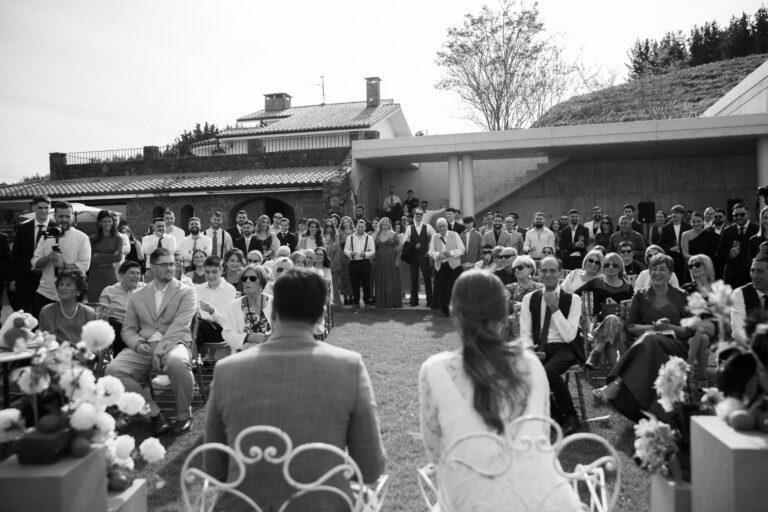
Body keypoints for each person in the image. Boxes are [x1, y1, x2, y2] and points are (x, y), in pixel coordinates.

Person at [205, 268, 386, 511]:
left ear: (275, 311)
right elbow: (369, 467)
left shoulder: (227, 370)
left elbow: (214, 468)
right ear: (321, 316)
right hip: (322, 505)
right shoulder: (348, 367)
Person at [418, 270, 580, 511]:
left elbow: (435, 450)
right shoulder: (532, 364)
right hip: (543, 499)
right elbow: (541, 433)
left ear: (454, 313)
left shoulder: (434, 370)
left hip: (472, 501)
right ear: (504, 316)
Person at [106, 248, 197, 436]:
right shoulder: (138, 294)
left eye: (172, 263)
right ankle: (155, 413)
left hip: (174, 344)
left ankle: (184, 416)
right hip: (144, 346)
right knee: (113, 370)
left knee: (177, 362)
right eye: (164, 264)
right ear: (152, 267)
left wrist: (160, 350)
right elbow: (128, 329)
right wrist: (138, 343)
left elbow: (180, 326)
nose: (170, 268)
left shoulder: (186, 292)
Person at [593, 254, 692, 422]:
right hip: (648, 344)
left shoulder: (682, 296)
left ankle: (616, 385)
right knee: (649, 340)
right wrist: (653, 328)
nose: (657, 273)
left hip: (675, 345)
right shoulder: (640, 295)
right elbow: (630, 326)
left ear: (670, 274)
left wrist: (671, 327)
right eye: (653, 269)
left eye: (662, 269)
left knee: (648, 341)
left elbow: (689, 329)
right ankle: (645, 408)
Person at [519, 256, 584, 435]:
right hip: (538, 347)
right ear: (538, 273)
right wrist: (529, 349)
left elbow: (570, 335)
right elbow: (525, 333)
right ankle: (554, 414)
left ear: (560, 273)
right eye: (544, 271)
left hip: (564, 347)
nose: (548, 274)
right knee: (520, 369)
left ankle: (571, 416)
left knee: (547, 372)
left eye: (552, 271)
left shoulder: (573, 300)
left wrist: (555, 309)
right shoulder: (529, 299)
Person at [30, 201, 91, 318]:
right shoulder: (45, 236)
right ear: (54, 216)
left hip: (71, 294)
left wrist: (64, 265)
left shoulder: (82, 237)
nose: (64, 219)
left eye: (67, 216)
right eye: (61, 216)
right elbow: (34, 263)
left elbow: (84, 266)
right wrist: (48, 258)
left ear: (72, 217)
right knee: (40, 329)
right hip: (45, 292)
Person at [578, 252, 634, 369]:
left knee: (613, 320)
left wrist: (618, 305)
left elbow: (631, 310)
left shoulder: (627, 288)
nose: (610, 267)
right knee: (611, 324)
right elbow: (575, 296)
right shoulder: (596, 283)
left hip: (621, 327)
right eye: (607, 265)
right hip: (597, 326)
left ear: (620, 268)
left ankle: (595, 355)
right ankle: (617, 374)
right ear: (603, 267)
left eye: (614, 265)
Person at [7, 195, 51, 312]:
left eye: (46, 208)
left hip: (47, 278)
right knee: (24, 313)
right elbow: (16, 255)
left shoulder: (56, 228)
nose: (43, 211)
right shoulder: (23, 228)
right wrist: (12, 278)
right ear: (33, 208)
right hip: (24, 278)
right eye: (40, 208)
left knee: (43, 313)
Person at [681, 254, 717, 376]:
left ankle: (687, 366)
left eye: (697, 265)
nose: (693, 268)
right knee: (703, 338)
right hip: (694, 328)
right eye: (691, 266)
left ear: (707, 266)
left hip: (714, 325)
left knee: (699, 326)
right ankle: (703, 379)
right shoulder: (686, 288)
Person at [222, 264, 272, 352]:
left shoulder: (274, 303)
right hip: (243, 358)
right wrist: (248, 337)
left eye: (252, 278)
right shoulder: (235, 305)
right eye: (244, 279)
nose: (247, 281)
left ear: (261, 282)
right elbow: (227, 334)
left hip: (270, 356)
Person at [99, 260, 145, 356]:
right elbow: (102, 314)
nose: (136, 276)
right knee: (116, 325)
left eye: (138, 273)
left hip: (138, 326)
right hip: (117, 326)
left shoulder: (145, 289)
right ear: (121, 275)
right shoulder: (109, 291)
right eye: (132, 273)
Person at [38, 269, 97, 343]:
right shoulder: (46, 311)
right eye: (61, 284)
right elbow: (40, 339)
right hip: (54, 352)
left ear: (78, 291)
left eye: (68, 285)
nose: (63, 288)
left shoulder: (89, 313)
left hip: (81, 352)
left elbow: (93, 342)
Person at [195, 255, 237, 352]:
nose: (210, 276)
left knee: (198, 326)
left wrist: (212, 311)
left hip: (220, 331)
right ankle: (193, 359)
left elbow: (226, 322)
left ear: (221, 270)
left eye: (214, 272)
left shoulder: (229, 289)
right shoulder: (198, 289)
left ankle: (191, 360)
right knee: (195, 327)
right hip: (199, 329)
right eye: (207, 272)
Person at [731, 248, 768, 344]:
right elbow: (738, 331)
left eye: (760, 271)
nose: (754, 276)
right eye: (752, 270)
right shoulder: (740, 293)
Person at [429, 218, 465, 316]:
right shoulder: (434, 237)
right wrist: (437, 255)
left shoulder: (455, 234)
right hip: (440, 266)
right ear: (437, 228)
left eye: (444, 226)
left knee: (453, 288)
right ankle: (445, 310)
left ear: (447, 226)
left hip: (454, 267)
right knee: (442, 289)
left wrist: (451, 253)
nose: (442, 228)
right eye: (440, 226)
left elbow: (461, 249)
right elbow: (430, 252)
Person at [717, 202, 757, 288]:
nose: (739, 217)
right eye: (736, 215)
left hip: (752, 275)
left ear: (748, 214)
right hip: (732, 276)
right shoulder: (727, 231)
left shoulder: (757, 229)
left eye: (742, 214)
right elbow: (719, 252)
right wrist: (729, 253)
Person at [88, 209, 123, 302]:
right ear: (99, 223)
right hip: (95, 275)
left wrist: (98, 255)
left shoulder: (118, 239)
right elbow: (90, 259)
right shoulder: (92, 239)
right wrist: (110, 256)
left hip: (110, 274)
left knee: (112, 302)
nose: (108, 223)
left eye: (109, 221)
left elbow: (118, 258)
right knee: (95, 303)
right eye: (104, 221)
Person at [404, 208, 435, 307]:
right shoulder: (409, 228)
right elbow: (405, 242)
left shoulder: (428, 227)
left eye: (420, 214)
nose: (418, 216)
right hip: (413, 256)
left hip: (424, 256)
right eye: (417, 214)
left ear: (422, 216)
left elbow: (435, 238)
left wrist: (430, 250)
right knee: (414, 278)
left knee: (427, 278)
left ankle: (430, 300)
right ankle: (414, 300)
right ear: (414, 215)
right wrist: (413, 246)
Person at [344, 219, 375, 306]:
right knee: (354, 282)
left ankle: (367, 299)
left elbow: (373, 251)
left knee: (366, 282)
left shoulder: (369, 238)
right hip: (353, 263)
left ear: (365, 227)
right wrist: (350, 253)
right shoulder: (350, 237)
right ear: (356, 226)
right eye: (358, 226)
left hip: (365, 262)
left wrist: (365, 254)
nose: (360, 228)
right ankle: (356, 299)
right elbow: (345, 250)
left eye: (362, 227)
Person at [373, 217, 401, 308]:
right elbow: (374, 248)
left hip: (391, 259)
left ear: (389, 224)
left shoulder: (394, 234)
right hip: (380, 260)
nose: (385, 223)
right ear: (380, 223)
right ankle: (382, 302)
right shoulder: (377, 234)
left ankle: (391, 302)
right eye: (383, 222)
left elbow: (398, 249)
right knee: (381, 279)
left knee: (391, 280)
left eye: (387, 222)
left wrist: (397, 260)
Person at [660, 204, 692, 282]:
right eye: (673, 213)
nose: (674, 215)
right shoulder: (665, 228)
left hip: (684, 258)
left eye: (676, 213)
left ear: (681, 215)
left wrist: (680, 247)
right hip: (671, 257)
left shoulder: (688, 227)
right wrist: (671, 248)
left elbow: (691, 242)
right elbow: (661, 244)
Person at [142, 217, 176, 281]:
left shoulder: (171, 238)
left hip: (167, 268)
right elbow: (146, 251)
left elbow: (170, 252)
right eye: (158, 226)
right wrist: (157, 238)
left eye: (163, 226)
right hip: (151, 269)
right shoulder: (146, 238)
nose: (161, 228)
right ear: (153, 227)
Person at [322, 219, 342, 306]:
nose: (329, 228)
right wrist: (328, 248)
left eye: (331, 226)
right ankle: (325, 301)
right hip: (324, 260)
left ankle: (336, 302)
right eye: (327, 226)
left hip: (333, 259)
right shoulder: (322, 235)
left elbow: (336, 247)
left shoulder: (336, 235)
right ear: (325, 226)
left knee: (334, 281)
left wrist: (326, 248)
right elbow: (321, 247)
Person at [337, 216, 355, 305]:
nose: (345, 224)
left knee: (352, 277)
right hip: (343, 256)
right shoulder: (340, 232)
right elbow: (338, 244)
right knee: (344, 277)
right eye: (344, 222)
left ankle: (352, 297)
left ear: (350, 223)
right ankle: (345, 298)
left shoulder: (354, 232)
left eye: (347, 222)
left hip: (352, 256)